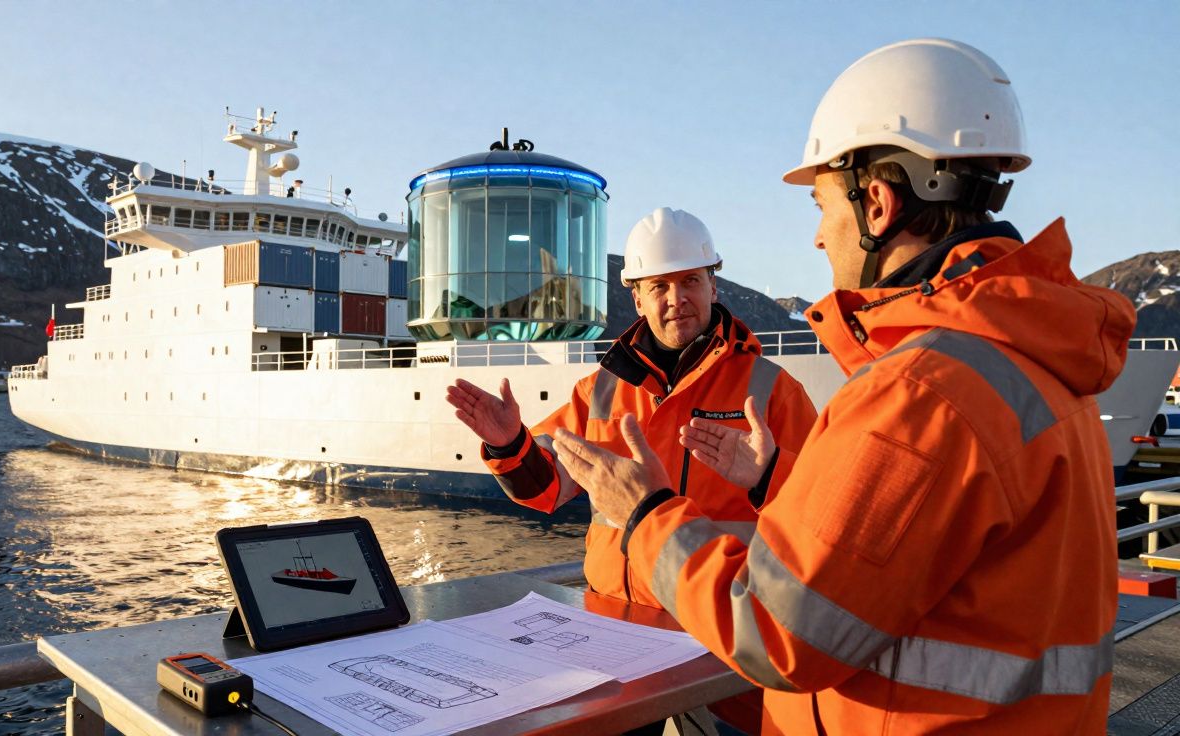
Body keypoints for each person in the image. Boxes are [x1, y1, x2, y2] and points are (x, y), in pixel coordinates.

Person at [553, 39, 1136, 734]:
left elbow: (776, 630)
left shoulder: (920, 392)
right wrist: (773, 481)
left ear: (879, 204)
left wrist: (646, 515)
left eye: (822, 206)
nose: (820, 239)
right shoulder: (1035, 363)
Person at [447, 207, 817, 733]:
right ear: (637, 296)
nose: (677, 299)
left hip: (727, 629)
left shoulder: (772, 390)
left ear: (713, 284)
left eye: (691, 280)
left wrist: (769, 473)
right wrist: (510, 444)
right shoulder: (600, 391)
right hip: (617, 635)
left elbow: (826, 514)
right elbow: (549, 487)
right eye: (659, 286)